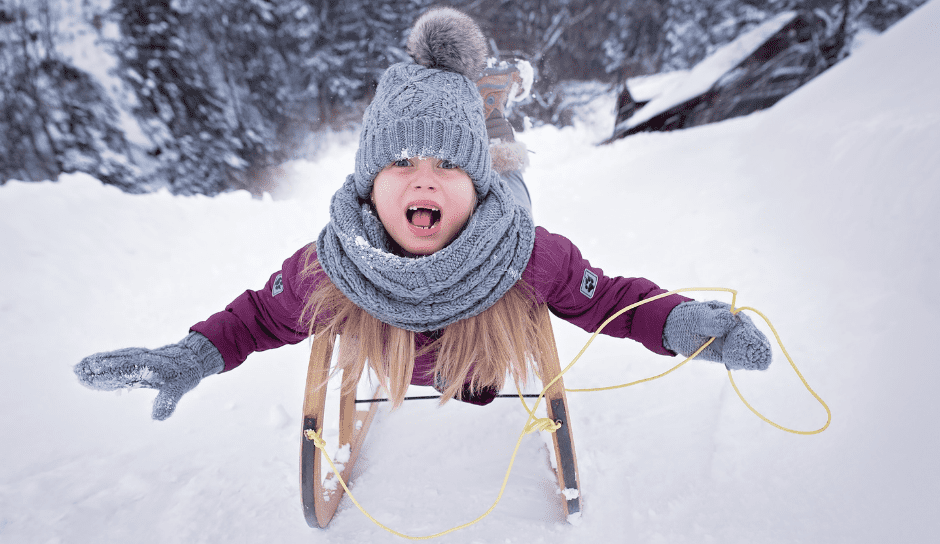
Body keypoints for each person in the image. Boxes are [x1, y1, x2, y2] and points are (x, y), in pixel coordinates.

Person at [74, 8, 771, 422]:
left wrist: (686, 325)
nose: (423, 181)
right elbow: (259, 316)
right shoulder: (335, 264)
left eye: (445, 168)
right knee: (464, 147)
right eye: (400, 164)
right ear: (369, 185)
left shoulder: (524, 254)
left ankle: (488, 117)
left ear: (473, 185)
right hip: (441, 257)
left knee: (503, 159)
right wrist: (191, 355)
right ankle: (476, 105)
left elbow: (612, 302)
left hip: (491, 229)